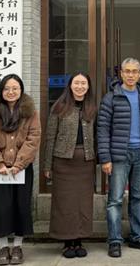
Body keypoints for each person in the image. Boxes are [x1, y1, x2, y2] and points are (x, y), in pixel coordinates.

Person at [97, 57, 140, 258]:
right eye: (127, 71)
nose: (131, 75)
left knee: (138, 198)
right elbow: (102, 130)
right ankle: (115, 241)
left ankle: (137, 237)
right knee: (115, 200)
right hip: (119, 155)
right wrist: (105, 158)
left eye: (134, 71)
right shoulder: (111, 97)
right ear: (121, 73)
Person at [0, 74, 41, 265]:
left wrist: (19, 164)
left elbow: (33, 139)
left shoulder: (30, 112)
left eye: (15, 88)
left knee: (21, 206)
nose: (11, 92)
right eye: (7, 88)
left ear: (21, 90)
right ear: (1, 91)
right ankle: (3, 247)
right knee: (1, 207)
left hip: (22, 168)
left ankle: (17, 247)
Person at [43, 72, 97, 259]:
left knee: (83, 203)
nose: (80, 86)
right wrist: (47, 165)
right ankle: (67, 242)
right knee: (64, 203)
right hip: (63, 162)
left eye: (83, 83)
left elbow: (97, 136)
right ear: (70, 85)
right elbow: (50, 137)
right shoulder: (59, 106)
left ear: (88, 87)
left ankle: (79, 240)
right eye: (76, 83)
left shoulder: (92, 107)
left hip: (85, 163)